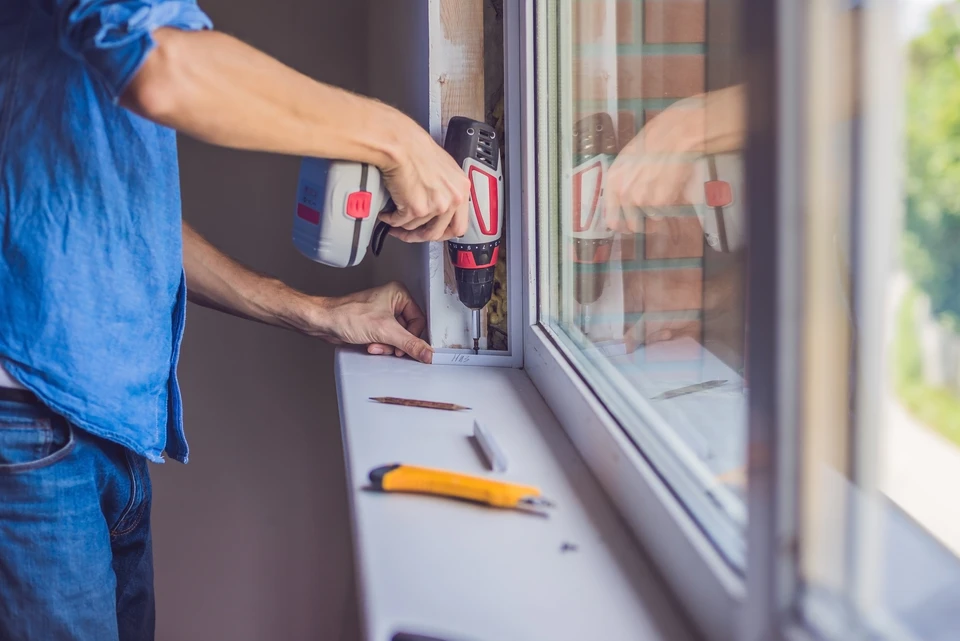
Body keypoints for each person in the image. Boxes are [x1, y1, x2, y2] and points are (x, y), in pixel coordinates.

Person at [0, 3, 471, 639]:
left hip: (104, 423)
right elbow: (161, 66)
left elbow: (106, 213)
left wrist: (312, 311)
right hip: (28, 416)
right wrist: (393, 138)